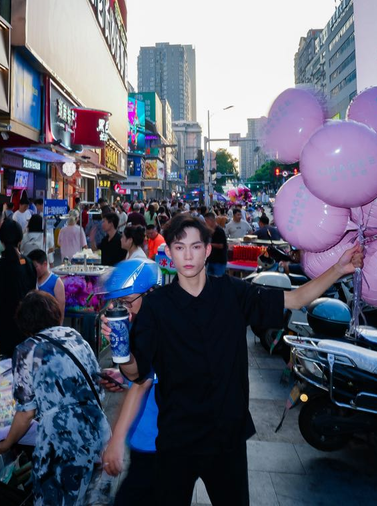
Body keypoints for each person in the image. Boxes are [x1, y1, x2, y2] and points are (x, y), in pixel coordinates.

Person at [113, 213, 361, 505]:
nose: (188, 255)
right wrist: (122, 352)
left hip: (226, 437)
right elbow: (136, 373)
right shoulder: (156, 307)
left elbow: (294, 299)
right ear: (169, 253)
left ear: (207, 251)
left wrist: (338, 269)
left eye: (195, 247)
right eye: (179, 248)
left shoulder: (232, 293)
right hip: (177, 438)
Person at [0, 291, 110, 506]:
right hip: (99, 432)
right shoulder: (75, 336)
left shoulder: (27, 350)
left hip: (62, 443)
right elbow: (99, 387)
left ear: (24, 322)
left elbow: (26, 413)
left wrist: (6, 444)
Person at [97, 259, 163, 505]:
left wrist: (115, 440)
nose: (121, 308)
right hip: (143, 435)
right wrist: (122, 376)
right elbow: (140, 375)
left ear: (151, 293)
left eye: (126, 302)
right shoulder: (140, 324)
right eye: (117, 302)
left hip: (157, 439)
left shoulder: (157, 328)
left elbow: (143, 382)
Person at [0, 220, 36, 358]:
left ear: (1, 240)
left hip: (5, 326)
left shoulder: (1, 265)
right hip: (27, 324)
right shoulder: (28, 262)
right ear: (20, 239)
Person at [32, 249, 65, 320]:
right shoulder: (32, 279)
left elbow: (61, 309)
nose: (33, 269)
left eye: (35, 267)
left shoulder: (56, 281)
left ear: (45, 264)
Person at [204, 212, 228, 277]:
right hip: (210, 260)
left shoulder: (219, 231)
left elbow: (221, 245)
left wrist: (209, 244)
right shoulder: (209, 231)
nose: (205, 223)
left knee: (218, 281)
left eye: (206, 221)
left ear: (211, 220)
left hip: (219, 261)